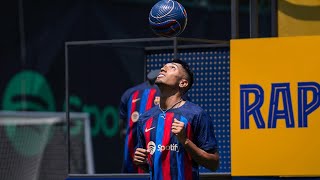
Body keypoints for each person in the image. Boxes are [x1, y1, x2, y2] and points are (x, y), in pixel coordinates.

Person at [133, 59, 219, 180]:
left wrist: (185, 141)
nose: (163, 69)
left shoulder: (196, 114)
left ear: (183, 83)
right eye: (163, 67)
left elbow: (213, 164)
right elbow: (150, 165)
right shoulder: (145, 118)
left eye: (172, 68)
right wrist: (141, 161)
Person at [119, 69, 161, 173]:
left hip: (161, 156)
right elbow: (123, 126)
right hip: (132, 161)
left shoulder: (174, 94)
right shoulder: (130, 94)